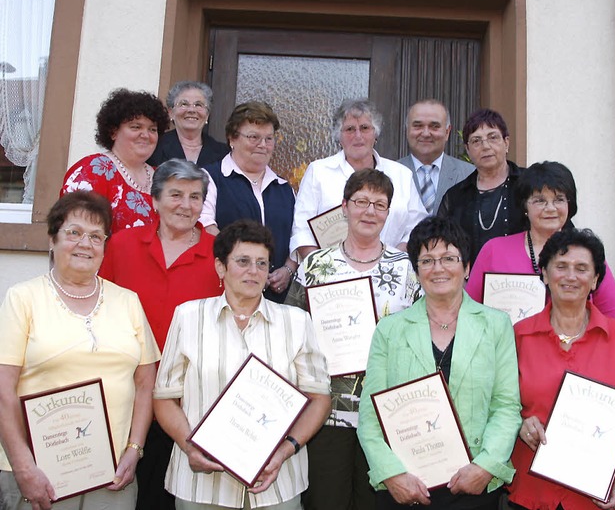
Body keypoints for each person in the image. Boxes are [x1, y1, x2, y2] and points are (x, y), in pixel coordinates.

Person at [153, 219, 331, 510]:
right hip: (203, 486)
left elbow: (319, 398)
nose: (254, 271)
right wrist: (189, 446)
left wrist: (285, 451)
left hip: (276, 483)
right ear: (220, 267)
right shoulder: (188, 317)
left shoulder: (296, 321)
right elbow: (163, 398)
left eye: (263, 263)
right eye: (243, 261)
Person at [0, 191, 160, 510]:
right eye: (74, 232)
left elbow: (146, 384)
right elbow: (3, 390)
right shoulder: (23, 298)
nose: (85, 243)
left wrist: (135, 448)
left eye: (96, 236)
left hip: (112, 473)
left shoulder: (127, 301)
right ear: (52, 240)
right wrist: (23, 466)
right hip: (41, 472)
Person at [358, 217, 521, 510]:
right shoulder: (389, 330)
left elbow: (506, 406)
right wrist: (392, 474)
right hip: (405, 487)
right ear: (417, 270)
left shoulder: (497, 325)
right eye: (427, 260)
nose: (439, 268)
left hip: (473, 484)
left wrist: (485, 467)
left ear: (467, 266)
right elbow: (370, 418)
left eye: (449, 258)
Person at [286, 169, 420, 510]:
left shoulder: (406, 269)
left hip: (386, 414)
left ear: (389, 213)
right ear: (344, 207)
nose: (370, 211)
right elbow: (289, 331)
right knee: (325, 501)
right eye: (361, 201)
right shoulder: (315, 265)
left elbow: (422, 335)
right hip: (326, 412)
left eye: (380, 204)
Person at [100, 160, 223, 510]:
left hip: (188, 400)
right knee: (120, 490)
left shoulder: (219, 254)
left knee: (171, 498)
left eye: (195, 197)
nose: (186, 205)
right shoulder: (122, 245)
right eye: (176, 195)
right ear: (154, 200)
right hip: (126, 394)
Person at [508, 228, 615, 510]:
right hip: (534, 494)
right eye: (561, 266)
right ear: (544, 274)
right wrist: (520, 423)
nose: (570, 276)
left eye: (582, 269)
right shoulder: (518, 337)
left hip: (607, 496)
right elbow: (499, 405)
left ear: (595, 280)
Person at [466, 161, 615, 321]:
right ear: (525, 207)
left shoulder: (586, 253)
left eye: (559, 199)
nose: (550, 208)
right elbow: (469, 313)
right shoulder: (494, 251)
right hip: (505, 345)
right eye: (540, 200)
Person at [290, 98, 427, 261]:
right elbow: (302, 230)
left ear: (375, 133)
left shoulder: (401, 175)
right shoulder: (318, 171)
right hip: (332, 278)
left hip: (390, 273)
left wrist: (390, 260)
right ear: (338, 136)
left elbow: (418, 226)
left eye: (364, 128)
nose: (358, 136)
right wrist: (323, 268)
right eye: (349, 129)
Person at [203, 101, 297, 303]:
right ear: (232, 139)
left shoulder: (284, 188)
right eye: (254, 137)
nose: (263, 145)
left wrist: (288, 269)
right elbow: (207, 228)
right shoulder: (210, 178)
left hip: (274, 299)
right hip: (225, 295)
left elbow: (297, 235)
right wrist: (249, 268)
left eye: (269, 138)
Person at [60, 88, 170, 233]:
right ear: (113, 132)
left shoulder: (163, 178)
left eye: (152, 129)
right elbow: (75, 235)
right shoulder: (93, 170)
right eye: (136, 127)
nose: (145, 135)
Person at [438, 108, 526, 264]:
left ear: (506, 143)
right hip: (471, 283)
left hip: (525, 282)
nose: (485, 146)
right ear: (468, 149)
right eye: (476, 141)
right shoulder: (456, 196)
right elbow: (442, 245)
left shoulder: (529, 184)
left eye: (493, 137)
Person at [398, 99, 475, 216]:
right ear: (407, 130)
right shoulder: (390, 174)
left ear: (447, 132)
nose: (425, 133)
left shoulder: (470, 174)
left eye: (434, 126)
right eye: (418, 126)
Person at [147, 81, 229, 169]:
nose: (191, 110)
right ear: (171, 113)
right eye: (184, 104)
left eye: (198, 105)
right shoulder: (154, 147)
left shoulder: (224, 153)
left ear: (207, 115)